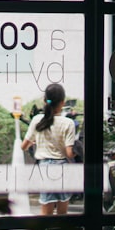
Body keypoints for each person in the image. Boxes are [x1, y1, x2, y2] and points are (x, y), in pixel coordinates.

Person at [21, 83, 77, 217]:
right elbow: (69, 153)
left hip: (45, 168)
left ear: (44, 101)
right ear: (62, 103)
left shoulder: (37, 120)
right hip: (62, 168)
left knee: (46, 213)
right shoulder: (68, 123)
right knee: (62, 213)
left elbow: (23, 146)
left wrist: (35, 142)